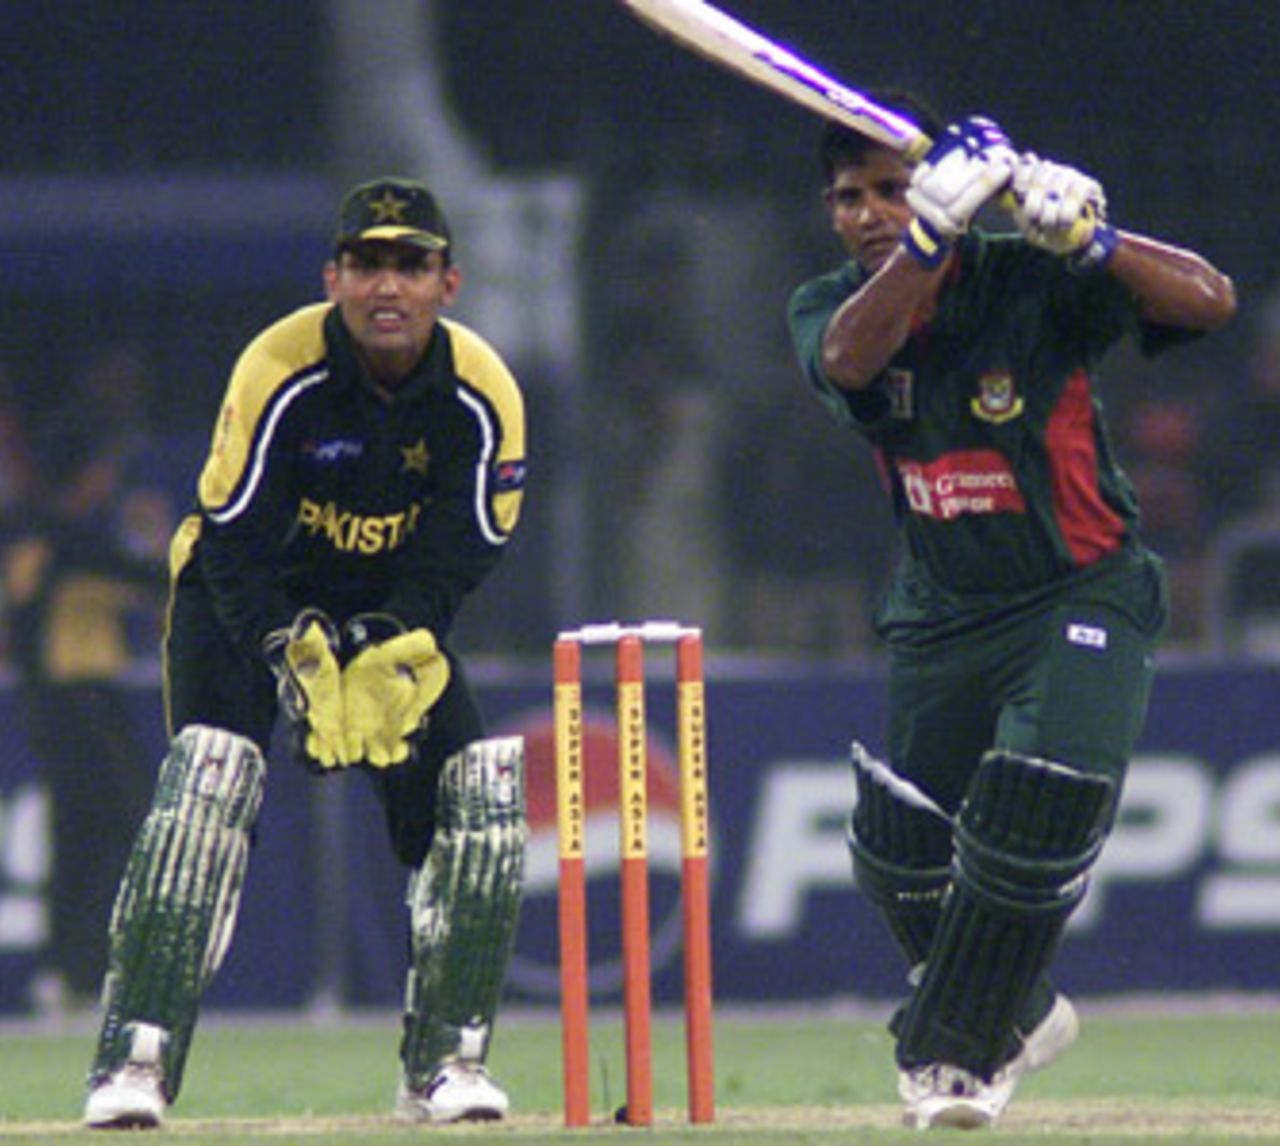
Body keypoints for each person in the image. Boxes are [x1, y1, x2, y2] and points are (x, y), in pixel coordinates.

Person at [787, 95, 1236, 1129]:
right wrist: (929, 234)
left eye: (891, 190)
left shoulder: (1027, 284)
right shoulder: (831, 305)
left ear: (946, 187)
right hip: (943, 613)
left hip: (1079, 587)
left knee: (1034, 799)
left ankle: (954, 1056)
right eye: (847, 198)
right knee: (893, 843)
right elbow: (851, 363)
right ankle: (1017, 1012)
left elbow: (1205, 301)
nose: (866, 215)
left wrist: (1094, 240)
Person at [81, 177, 529, 1129]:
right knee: (210, 778)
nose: (388, 286)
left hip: (385, 613)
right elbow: (231, 543)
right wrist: (285, 647)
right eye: (368, 263)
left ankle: (444, 1062)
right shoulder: (276, 367)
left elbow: (461, 554)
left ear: (449, 282)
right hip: (241, 600)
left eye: (412, 265)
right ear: (334, 277)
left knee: (480, 795)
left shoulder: (482, 392)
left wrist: (387, 637)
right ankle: (135, 1061)